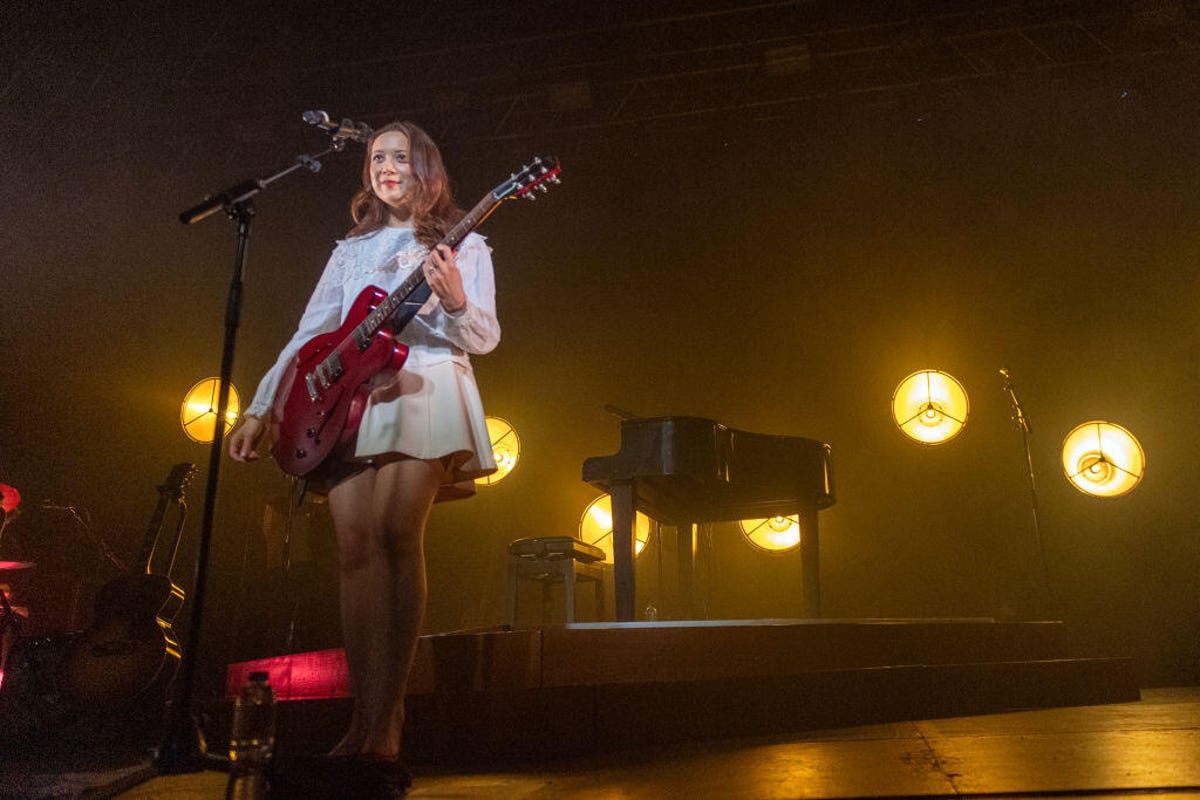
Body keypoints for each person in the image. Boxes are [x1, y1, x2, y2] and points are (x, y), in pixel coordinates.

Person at [228, 121, 500, 793]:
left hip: (425, 385)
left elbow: (484, 335)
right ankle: (360, 720)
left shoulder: (464, 241)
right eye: (376, 156)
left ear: (424, 169)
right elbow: (312, 331)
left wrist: (456, 297)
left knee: (394, 534)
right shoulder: (350, 249)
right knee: (352, 548)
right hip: (347, 401)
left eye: (398, 157)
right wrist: (262, 407)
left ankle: (390, 721)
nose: (384, 166)